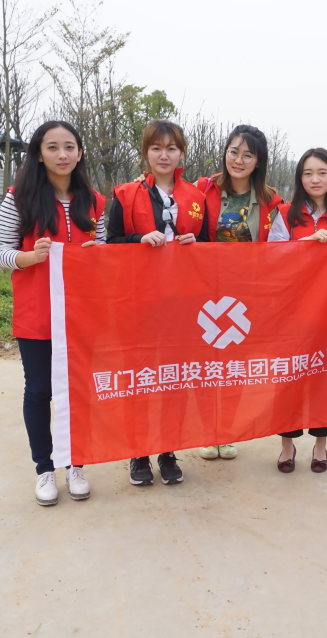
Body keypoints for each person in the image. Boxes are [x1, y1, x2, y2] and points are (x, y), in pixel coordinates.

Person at [0, 121, 106, 506]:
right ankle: (45, 467)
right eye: (53, 147)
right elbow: (2, 253)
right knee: (40, 390)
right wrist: (30, 257)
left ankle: (76, 463)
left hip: (81, 315)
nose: (62, 155)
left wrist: (97, 255)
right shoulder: (19, 198)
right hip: (37, 312)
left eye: (69, 147)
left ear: (80, 153)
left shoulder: (94, 201)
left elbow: (103, 251)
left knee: (77, 391)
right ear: (39, 154)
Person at [108, 119, 208, 487]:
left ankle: (168, 449)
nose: (164, 155)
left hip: (183, 303)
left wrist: (197, 246)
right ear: (145, 153)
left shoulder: (196, 198)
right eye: (156, 148)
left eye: (171, 148)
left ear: (182, 153)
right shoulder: (125, 194)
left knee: (174, 378)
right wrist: (138, 239)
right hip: (139, 301)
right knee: (140, 376)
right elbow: (110, 244)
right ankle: (139, 451)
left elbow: (210, 249)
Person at [266, 147, 327, 473]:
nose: (315, 179)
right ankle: (287, 444)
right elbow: (271, 255)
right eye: (308, 173)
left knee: (324, 376)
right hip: (290, 309)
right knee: (288, 377)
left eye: (322, 172)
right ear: (299, 178)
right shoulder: (286, 214)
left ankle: (321, 444)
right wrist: (305, 244)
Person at [194, 124, 284, 460]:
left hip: (246, 296)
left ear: (258, 161)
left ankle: (227, 431)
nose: (239, 160)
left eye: (248, 155)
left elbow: (285, 244)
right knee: (205, 364)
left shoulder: (272, 201)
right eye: (234, 152)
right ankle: (208, 431)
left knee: (235, 365)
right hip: (204, 293)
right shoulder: (202, 190)